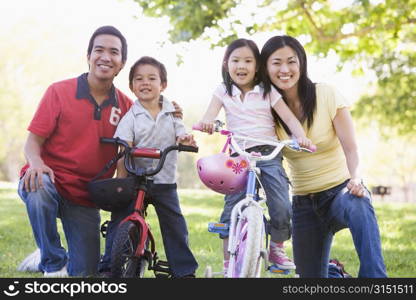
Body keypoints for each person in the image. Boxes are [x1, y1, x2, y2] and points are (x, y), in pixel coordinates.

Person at [260, 35, 387, 278]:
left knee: (360, 204)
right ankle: (336, 273)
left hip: (340, 191)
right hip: (304, 204)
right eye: (276, 63)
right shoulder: (266, 109)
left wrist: (356, 180)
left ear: (301, 64)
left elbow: (351, 148)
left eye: (291, 62)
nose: (284, 69)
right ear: (265, 67)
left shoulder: (326, 94)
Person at [16, 26, 133, 277]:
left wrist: (169, 112)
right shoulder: (59, 91)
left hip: (85, 197)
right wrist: (35, 163)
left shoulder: (127, 107)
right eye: (99, 50)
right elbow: (32, 143)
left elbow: (129, 152)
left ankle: (47, 257)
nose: (105, 57)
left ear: (122, 63)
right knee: (37, 185)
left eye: (114, 52)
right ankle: (53, 262)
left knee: (84, 276)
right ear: (88, 56)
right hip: (50, 181)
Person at [197, 38, 314, 273]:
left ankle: (277, 248)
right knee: (232, 206)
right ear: (226, 64)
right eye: (236, 60)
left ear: (257, 66)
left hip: (268, 153)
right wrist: (207, 123)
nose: (242, 66)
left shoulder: (267, 92)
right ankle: (228, 260)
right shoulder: (223, 91)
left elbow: (290, 118)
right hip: (238, 156)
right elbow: (210, 114)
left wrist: (301, 137)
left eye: (248, 61)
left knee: (281, 203)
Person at [98, 56, 199, 278]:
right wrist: (121, 182)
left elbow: (181, 132)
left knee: (174, 224)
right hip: (136, 180)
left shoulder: (172, 112)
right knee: (120, 219)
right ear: (132, 86)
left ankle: (184, 271)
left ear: (163, 84)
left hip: (163, 180)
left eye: (151, 78)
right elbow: (124, 148)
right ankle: (108, 267)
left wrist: (185, 141)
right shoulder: (131, 116)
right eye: (139, 79)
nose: (145, 83)